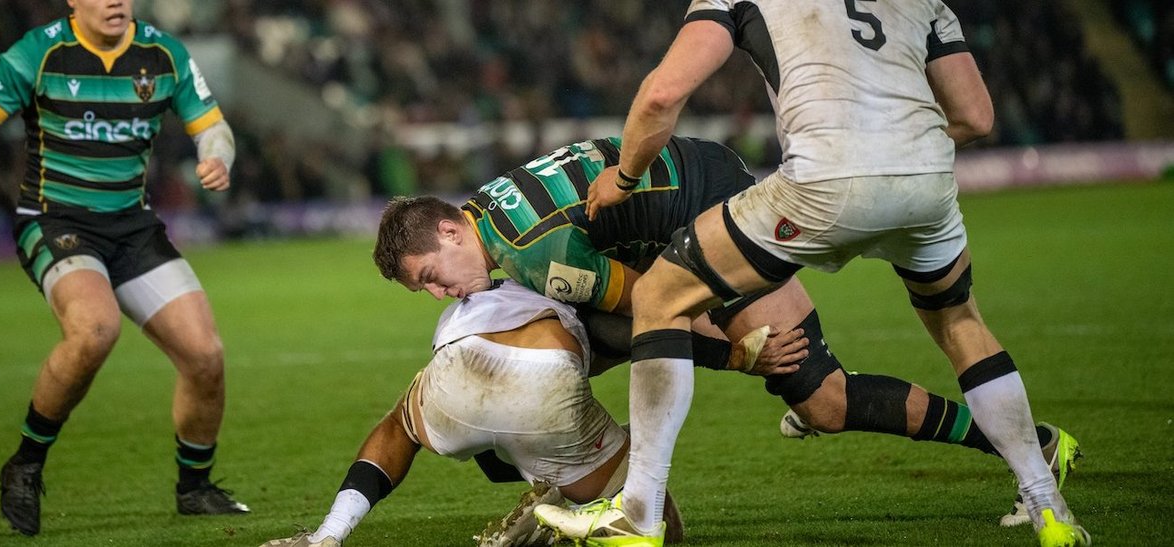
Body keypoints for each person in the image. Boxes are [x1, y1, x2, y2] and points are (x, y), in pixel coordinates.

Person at [534, 1, 1088, 546]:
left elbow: (662, 93)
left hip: (822, 182)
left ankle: (639, 514)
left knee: (659, 294)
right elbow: (976, 116)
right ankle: (1048, 505)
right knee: (961, 322)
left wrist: (624, 177)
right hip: (926, 179)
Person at [371, 136, 1079, 535]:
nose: (440, 292)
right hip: (679, 202)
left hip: (714, 213)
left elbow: (655, 309)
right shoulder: (489, 213)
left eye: (432, 274)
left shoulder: (532, 254)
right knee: (565, 354)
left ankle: (1027, 442)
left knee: (824, 401)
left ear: (449, 229)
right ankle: (569, 489)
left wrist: (741, 355)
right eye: (425, 289)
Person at [0, 0, 247, 536]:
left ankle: (195, 488)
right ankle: (25, 464)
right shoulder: (40, 52)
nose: (116, 0)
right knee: (95, 329)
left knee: (205, 355)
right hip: (54, 220)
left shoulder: (164, 54)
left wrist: (217, 157)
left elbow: (213, 127)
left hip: (132, 227)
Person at [261, 280, 686, 547]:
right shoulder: (579, 276)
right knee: (656, 516)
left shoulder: (481, 285)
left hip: (458, 370)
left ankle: (329, 534)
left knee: (401, 424)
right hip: (544, 383)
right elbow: (645, 329)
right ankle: (560, 517)